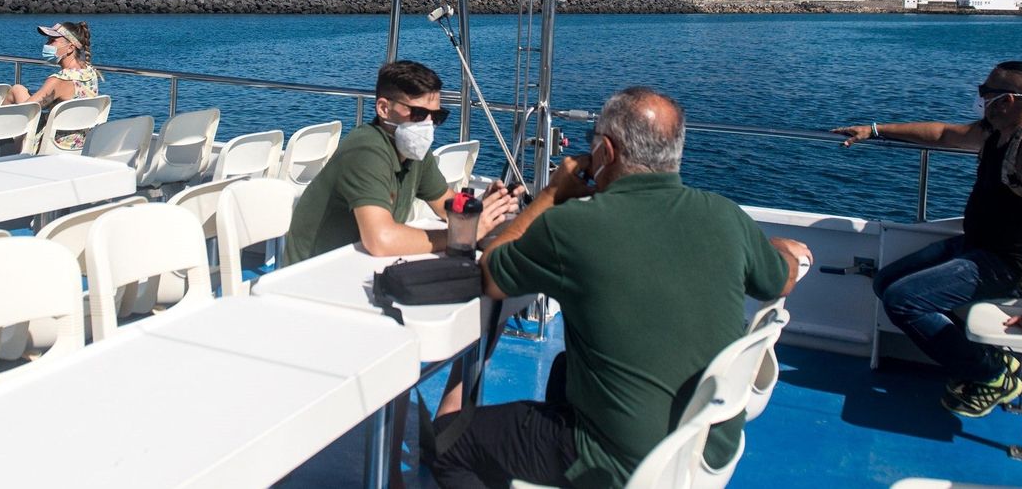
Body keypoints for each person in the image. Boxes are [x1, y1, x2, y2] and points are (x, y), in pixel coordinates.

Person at [432, 87, 810, 489]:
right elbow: (782, 277)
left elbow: (491, 272)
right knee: (563, 368)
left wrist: (552, 194)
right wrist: (778, 248)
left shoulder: (574, 227)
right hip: (704, 451)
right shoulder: (727, 217)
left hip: (619, 464)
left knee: (446, 444)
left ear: (606, 153)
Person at [832, 60, 1022, 418]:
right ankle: (984, 357)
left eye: (985, 92)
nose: (980, 97)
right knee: (886, 281)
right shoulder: (1001, 130)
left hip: (1013, 264)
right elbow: (946, 134)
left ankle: (993, 374)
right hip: (982, 246)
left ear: (1007, 100)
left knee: (903, 300)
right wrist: (875, 129)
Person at [284, 60, 519, 265]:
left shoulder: (414, 151)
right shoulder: (366, 149)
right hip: (313, 273)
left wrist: (480, 205)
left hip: (358, 264)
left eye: (436, 116)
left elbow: (445, 204)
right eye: (418, 114)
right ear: (384, 108)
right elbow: (380, 240)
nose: (428, 124)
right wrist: (459, 237)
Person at [0, 21, 101, 150]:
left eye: (52, 41)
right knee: (17, 90)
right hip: (77, 144)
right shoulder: (90, 72)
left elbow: (25, 111)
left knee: (15, 106)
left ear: (70, 48)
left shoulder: (60, 80)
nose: (47, 45)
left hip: (51, 144)